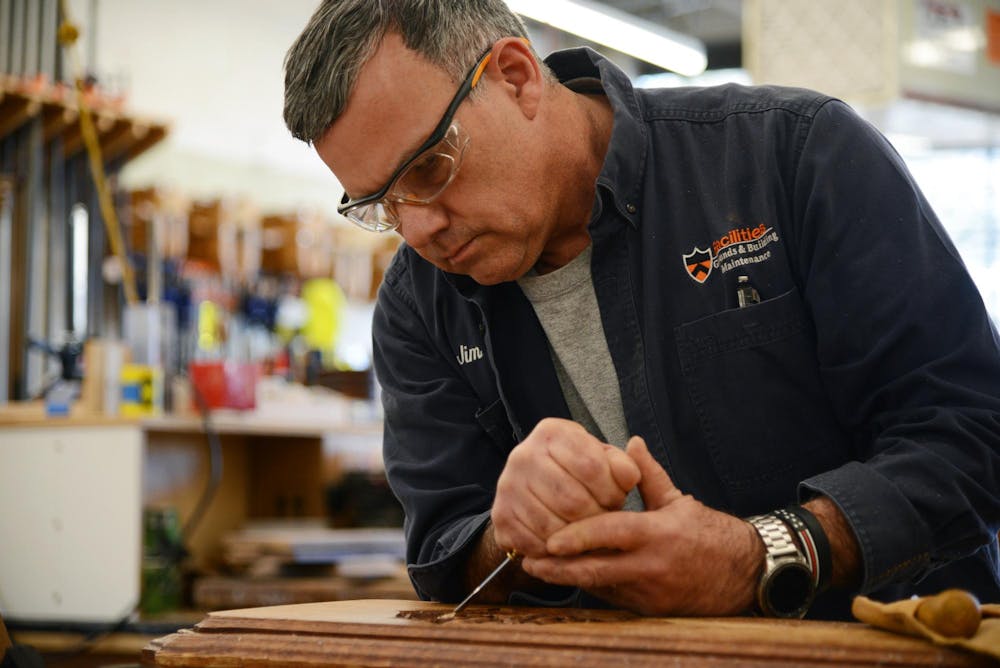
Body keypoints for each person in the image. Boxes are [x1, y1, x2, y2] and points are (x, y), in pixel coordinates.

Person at [283, 0, 1000, 620]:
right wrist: (511, 532)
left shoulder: (792, 157)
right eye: (381, 205)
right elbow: (444, 552)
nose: (418, 229)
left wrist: (764, 555)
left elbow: (971, 439)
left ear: (516, 76)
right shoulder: (418, 304)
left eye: (429, 168)